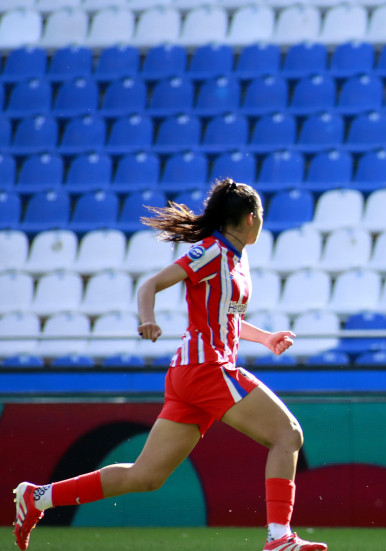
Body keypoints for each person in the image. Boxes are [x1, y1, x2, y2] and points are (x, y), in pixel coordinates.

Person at [13, 179, 328, 551]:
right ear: (250, 217)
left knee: (145, 476)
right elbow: (150, 285)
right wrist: (147, 318)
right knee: (287, 434)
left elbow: (226, 319)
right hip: (206, 369)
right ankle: (279, 537)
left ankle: (39, 497)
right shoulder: (211, 251)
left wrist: (265, 338)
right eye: (261, 216)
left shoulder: (234, 259)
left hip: (192, 375)